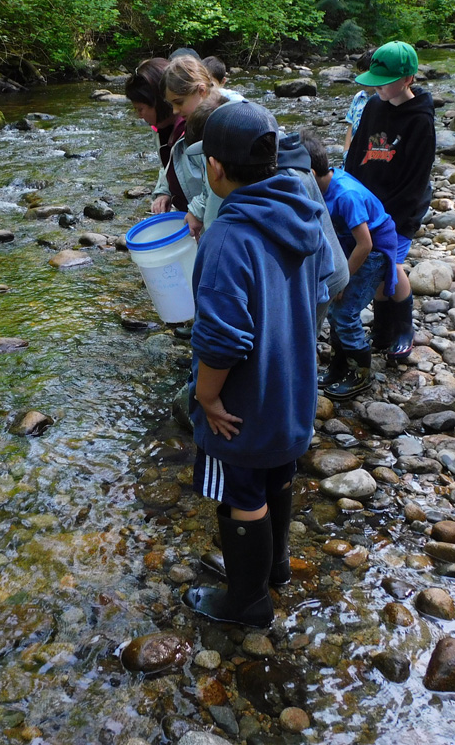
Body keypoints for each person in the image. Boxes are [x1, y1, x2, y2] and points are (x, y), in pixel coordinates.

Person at [183, 101, 335, 627]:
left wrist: (206, 397)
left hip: (245, 403)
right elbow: (320, 291)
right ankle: (274, 568)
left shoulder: (228, 237)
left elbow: (221, 339)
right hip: (293, 387)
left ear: (215, 168)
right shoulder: (304, 212)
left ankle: (248, 603)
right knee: (277, 474)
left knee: (241, 491)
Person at [345, 41, 436, 362]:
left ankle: (403, 328)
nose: (378, 88)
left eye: (385, 82)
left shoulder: (420, 120)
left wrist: (392, 218)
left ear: (408, 79)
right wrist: (350, 197)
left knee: (391, 266)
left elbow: (416, 179)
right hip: (369, 203)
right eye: (375, 82)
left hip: (401, 208)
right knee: (376, 265)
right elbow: (356, 155)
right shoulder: (373, 106)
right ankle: (382, 330)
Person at [310, 134, 400, 399]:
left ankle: (361, 374)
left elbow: (366, 244)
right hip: (350, 246)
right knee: (333, 309)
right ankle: (339, 366)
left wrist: (343, 279)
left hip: (373, 250)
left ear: (312, 174)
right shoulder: (321, 188)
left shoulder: (346, 195)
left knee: (346, 313)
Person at [155, 55, 242, 236]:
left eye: (179, 102)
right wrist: (164, 189)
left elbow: (216, 184)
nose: (175, 111)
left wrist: (196, 211)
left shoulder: (224, 123)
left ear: (201, 90)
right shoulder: (198, 120)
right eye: (171, 104)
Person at [124, 58, 178, 198]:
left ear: (159, 102)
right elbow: (167, 167)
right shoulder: (159, 129)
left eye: (140, 109)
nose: (139, 116)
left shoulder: (195, 129)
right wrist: (163, 192)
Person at [342, 50, 374, 152]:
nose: (363, 81)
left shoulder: (385, 99)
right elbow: (350, 126)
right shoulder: (358, 97)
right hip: (355, 152)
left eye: (366, 77)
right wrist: (346, 152)